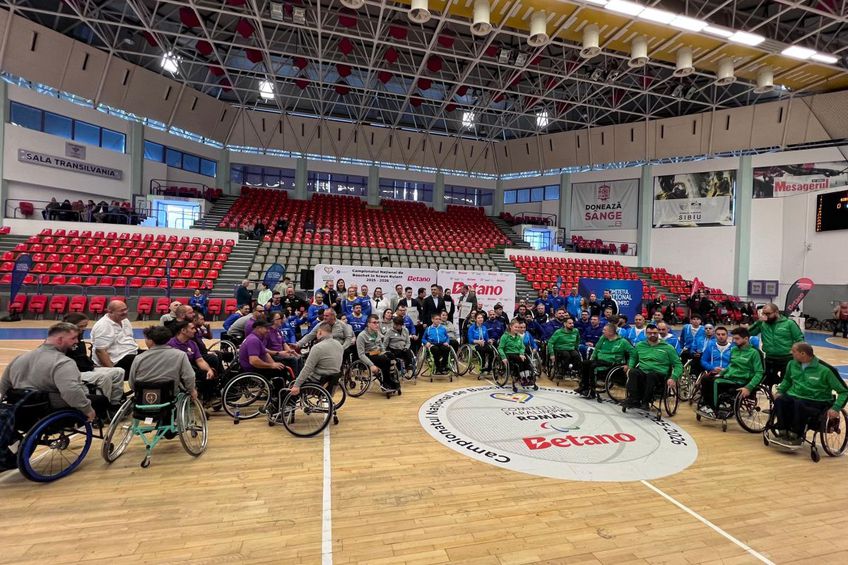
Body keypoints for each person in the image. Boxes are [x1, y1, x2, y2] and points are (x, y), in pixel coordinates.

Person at [0, 323, 100, 425]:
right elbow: (71, 391)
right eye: (73, 338)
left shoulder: (20, 357)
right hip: (44, 409)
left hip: (19, 407)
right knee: (100, 400)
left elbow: (3, 384)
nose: (77, 341)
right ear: (60, 340)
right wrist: (87, 410)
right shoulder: (63, 362)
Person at [769, 342, 848, 445]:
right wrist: (780, 391)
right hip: (795, 396)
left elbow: (844, 391)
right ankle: (782, 431)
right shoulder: (792, 364)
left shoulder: (826, 370)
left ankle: (796, 435)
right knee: (780, 400)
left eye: (793, 352)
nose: (791, 353)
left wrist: (836, 407)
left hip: (817, 400)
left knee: (799, 404)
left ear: (803, 354)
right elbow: (787, 380)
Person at [697, 327, 764, 418]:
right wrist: (721, 373)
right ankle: (707, 405)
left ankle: (713, 409)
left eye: (737, 339)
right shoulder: (734, 350)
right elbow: (731, 365)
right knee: (706, 378)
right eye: (733, 338)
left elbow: (759, 372)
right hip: (730, 377)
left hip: (742, 380)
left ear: (746, 339)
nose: (734, 341)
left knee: (715, 382)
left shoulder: (754, 353)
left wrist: (749, 387)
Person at [62, 313, 125, 408]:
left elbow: (81, 356)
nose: (84, 328)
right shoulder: (63, 340)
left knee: (119, 371)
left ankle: (115, 404)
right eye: (81, 326)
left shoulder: (79, 336)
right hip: (75, 373)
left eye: (85, 326)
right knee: (104, 377)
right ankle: (103, 407)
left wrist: (91, 364)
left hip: (87, 369)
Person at [625, 324, 683, 410]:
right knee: (633, 372)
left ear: (658, 333)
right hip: (643, 372)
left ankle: (645, 402)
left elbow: (678, 365)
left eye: (655, 333)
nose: (652, 335)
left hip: (659, 375)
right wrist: (630, 367)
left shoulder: (668, 348)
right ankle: (634, 400)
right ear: (646, 334)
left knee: (651, 375)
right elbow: (634, 357)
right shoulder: (640, 345)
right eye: (649, 333)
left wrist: (673, 377)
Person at [748, 303, 803, 386]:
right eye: (764, 313)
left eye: (768, 314)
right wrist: (758, 322)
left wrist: (796, 352)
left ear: (776, 312)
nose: (766, 316)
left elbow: (800, 339)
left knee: (787, 383)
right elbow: (748, 333)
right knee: (763, 379)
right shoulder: (763, 324)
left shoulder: (789, 323)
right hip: (770, 358)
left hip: (787, 359)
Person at [168, 321, 218, 406]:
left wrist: (209, 370)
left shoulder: (192, 344)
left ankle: (206, 400)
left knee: (209, 374)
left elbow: (200, 360)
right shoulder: (170, 344)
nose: (195, 331)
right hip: (176, 372)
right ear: (183, 330)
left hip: (190, 370)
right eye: (192, 328)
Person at [578, 323, 632, 398]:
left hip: (612, 362)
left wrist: (629, 364)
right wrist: (592, 359)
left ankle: (592, 391)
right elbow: (596, 349)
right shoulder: (603, 338)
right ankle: (584, 386)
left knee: (593, 366)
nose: (602, 331)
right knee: (585, 363)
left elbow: (633, 353)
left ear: (611, 332)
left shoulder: (623, 342)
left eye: (604, 330)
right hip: (600, 360)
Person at [290, 323, 343, 397]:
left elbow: (307, 368)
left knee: (289, 388)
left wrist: (296, 385)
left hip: (318, 381)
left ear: (320, 332)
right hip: (332, 380)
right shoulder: (339, 345)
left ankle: (286, 407)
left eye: (317, 333)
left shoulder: (317, 347)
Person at [91, 300, 139, 377]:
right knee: (148, 364)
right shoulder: (103, 326)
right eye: (122, 310)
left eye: (126, 309)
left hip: (130, 354)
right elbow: (100, 351)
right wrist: (113, 372)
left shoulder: (124, 320)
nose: (125, 312)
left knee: (154, 356)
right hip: (117, 360)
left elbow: (130, 338)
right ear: (110, 312)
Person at [357, 315, 400, 393]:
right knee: (385, 360)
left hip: (378, 353)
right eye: (374, 323)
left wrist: (384, 352)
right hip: (368, 355)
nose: (377, 324)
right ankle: (385, 383)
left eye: (378, 323)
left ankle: (391, 378)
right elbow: (361, 354)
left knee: (391, 355)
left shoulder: (377, 333)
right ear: (368, 324)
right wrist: (371, 365)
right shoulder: (362, 336)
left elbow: (382, 346)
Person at [498, 319, 533, 385]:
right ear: (511, 326)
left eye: (518, 327)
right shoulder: (505, 336)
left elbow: (522, 347)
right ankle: (522, 378)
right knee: (519, 361)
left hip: (518, 353)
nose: (517, 329)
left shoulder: (519, 337)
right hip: (509, 353)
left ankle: (528, 377)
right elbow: (500, 348)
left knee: (526, 360)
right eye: (515, 327)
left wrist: (521, 354)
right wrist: (503, 357)